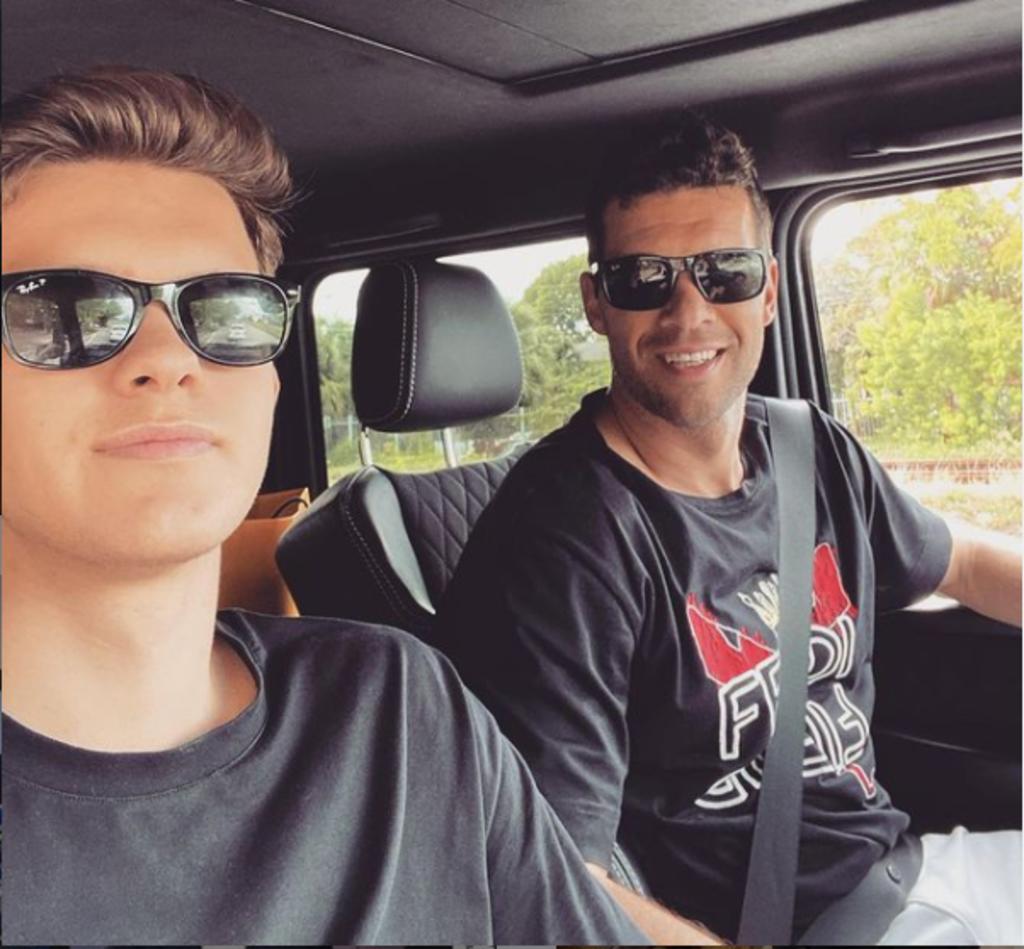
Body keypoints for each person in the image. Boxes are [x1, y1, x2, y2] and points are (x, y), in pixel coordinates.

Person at [0, 66, 648, 946]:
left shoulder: (398, 706)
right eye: (66, 310)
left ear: (268, 382)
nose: (167, 358)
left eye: (223, 309)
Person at [434, 111, 1023, 945]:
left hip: (906, 870)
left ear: (769, 291)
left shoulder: (813, 449)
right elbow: (559, 876)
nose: (689, 311)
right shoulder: (561, 540)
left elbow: (963, 558)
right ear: (598, 303)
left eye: (725, 272)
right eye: (644, 278)